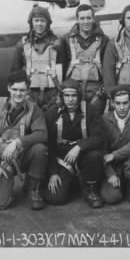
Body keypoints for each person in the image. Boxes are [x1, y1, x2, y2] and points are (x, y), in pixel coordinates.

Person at [0, 70, 48, 210]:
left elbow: (42, 134)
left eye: (22, 90)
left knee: (40, 149)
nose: (18, 94)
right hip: (3, 160)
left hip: (22, 156)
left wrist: (18, 142)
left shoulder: (34, 109)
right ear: (8, 88)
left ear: (28, 90)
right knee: (0, 203)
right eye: (15, 89)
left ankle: (33, 187)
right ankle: (8, 181)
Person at [44, 79, 105, 208]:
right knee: (56, 198)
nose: (70, 99)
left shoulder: (91, 111)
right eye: (66, 96)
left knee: (95, 156)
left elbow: (99, 137)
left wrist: (79, 147)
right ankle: (71, 183)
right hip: (62, 159)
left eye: (74, 95)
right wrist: (53, 173)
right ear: (62, 96)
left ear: (79, 96)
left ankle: (90, 189)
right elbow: (49, 145)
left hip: (83, 155)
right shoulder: (52, 114)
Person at [11, 5, 65, 111]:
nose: (39, 24)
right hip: (30, 95)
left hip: (52, 94)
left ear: (48, 23)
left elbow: (64, 69)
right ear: (31, 23)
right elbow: (15, 72)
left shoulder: (57, 43)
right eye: (36, 20)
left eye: (43, 21)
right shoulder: (22, 44)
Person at [100, 85, 130, 208]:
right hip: (111, 165)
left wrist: (114, 155)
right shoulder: (104, 120)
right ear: (112, 103)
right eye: (118, 103)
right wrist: (110, 174)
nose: (121, 107)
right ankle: (119, 187)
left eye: (125, 103)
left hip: (129, 163)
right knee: (112, 198)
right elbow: (101, 149)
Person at [63, 4, 109, 115]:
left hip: (95, 90)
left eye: (88, 18)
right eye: (82, 18)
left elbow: (107, 67)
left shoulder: (104, 40)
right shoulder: (66, 40)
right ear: (77, 20)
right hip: (73, 89)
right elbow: (62, 66)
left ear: (93, 19)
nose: (86, 21)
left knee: (95, 122)